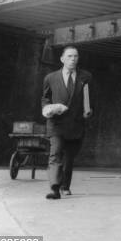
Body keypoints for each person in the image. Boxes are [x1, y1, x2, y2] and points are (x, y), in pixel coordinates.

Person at [41, 46, 93, 200]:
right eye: (69, 56)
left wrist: (89, 111)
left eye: (76, 56)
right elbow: (45, 99)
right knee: (55, 154)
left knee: (69, 158)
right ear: (62, 59)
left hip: (76, 124)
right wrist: (49, 109)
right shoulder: (50, 78)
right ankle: (55, 188)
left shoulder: (86, 77)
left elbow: (91, 99)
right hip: (56, 123)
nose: (73, 59)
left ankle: (65, 186)